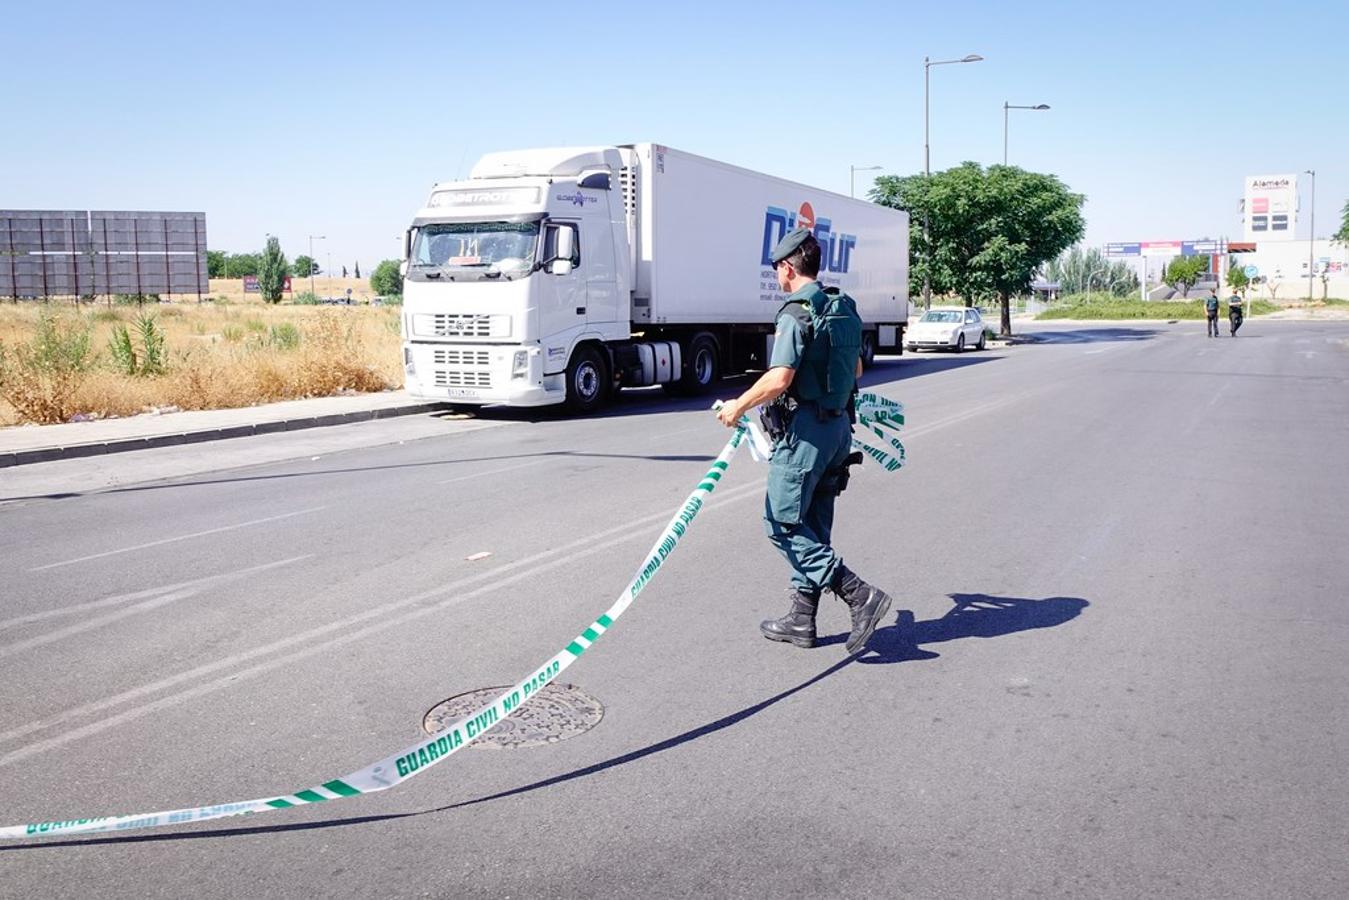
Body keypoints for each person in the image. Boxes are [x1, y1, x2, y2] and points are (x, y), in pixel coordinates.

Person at [716, 228, 893, 655]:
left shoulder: (796, 313)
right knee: (813, 526)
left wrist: (737, 407)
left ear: (787, 267)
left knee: (781, 523)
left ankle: (858, 594)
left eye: (777, 267)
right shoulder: (843, 309)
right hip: (838, 431)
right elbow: (856, 374)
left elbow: (780, 379)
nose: (777, 274)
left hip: (806, 435)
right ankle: (801, 618)